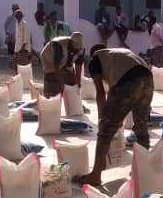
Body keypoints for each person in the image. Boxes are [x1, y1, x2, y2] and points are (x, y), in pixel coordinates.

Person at [73, 45, 154, 187]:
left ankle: (95, 176)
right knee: (141, 126)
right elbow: (114, 91)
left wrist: (102, 119)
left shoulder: (95, 60)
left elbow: (100, 92)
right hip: (147, 78)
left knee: (106, 129)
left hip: (129, 81)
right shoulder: (117, 56)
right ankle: (142, 169)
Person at [39, 32, 85, 99]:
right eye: (76, 48)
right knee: (51, 77)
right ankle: (49, 97)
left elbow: (78, 66)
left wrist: (78, 83)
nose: (77, 50)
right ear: (71, 43)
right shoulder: (59, 46)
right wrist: (62, 85)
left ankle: (70, 98)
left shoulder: (81, 49)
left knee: (71, 79)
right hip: (49, 58)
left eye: (79, 48)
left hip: (64, 59)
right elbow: (56, 66)